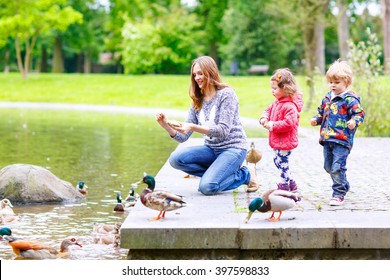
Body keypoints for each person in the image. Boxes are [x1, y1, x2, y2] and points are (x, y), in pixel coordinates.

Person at [156, 56, 259, 195]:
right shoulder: (197, 100)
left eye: (200, 73)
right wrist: (165, 126)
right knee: (175, 159)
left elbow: (223, 130)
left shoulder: (226, 94)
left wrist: (192, 126)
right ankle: (216, 174)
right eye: (194, 75)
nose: (197, 78)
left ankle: (245, 174)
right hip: (211, 149)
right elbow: (183, 137)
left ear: (210, 72)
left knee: (207, 187)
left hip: (233, 149)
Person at [310, 59, 365, 206]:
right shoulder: (327, 98)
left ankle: (338, 194)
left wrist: (354, 122)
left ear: (346, 83)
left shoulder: (350, 100)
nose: (332, 85)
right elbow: (321, 113)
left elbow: (359, 114)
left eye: (337, 82)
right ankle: (344, 184)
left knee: (337, 167)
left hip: (342, 140)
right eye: (330, 82)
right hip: (327, 139)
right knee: (328, 167)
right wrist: (316, 119)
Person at [259, 68, 303, 192]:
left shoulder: (290, 106)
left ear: (285, 89)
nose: (272, 92)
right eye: (272, 89)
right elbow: (268, 109)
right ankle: (291, 183)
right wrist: (264, 117)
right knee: (277, 161)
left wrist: (272, 125)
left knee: (283, 163)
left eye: (275, 89)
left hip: (286, 141)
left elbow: (289, 123)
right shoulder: (277, 102)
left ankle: (284, 185)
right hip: (278, 140)